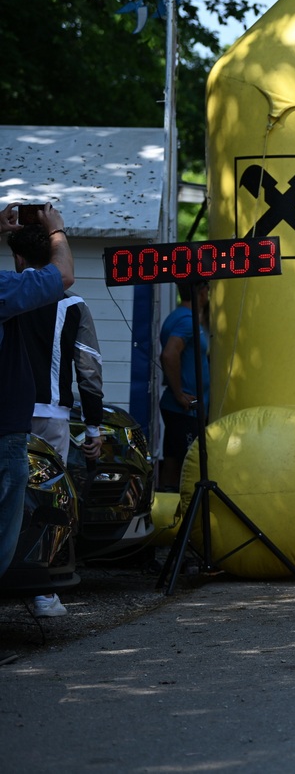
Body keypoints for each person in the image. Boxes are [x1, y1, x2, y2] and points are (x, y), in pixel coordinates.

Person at [9, 224, 104, 618]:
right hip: (51, 418)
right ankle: (41, 592)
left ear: (17, 259)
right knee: (48, 504)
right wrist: (94, 427)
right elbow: (89, 368)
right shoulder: (72, 304)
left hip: (8, 414)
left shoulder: (6, 294)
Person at [0, 203, 75, 663]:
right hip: (16, 423)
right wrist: (57, 230)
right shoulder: (25, 291)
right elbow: (62, 276)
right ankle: (44, 592)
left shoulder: (11, 287)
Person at [158, 280, 209, 492]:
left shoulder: (177, 316)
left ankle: (169, 512)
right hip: (185, 407)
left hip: (181, 408)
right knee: (189, 467)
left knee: (174, 461)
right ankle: (186, 516)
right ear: (202, 291)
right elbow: (169, 355)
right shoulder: (187, 321)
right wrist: (180, 394)